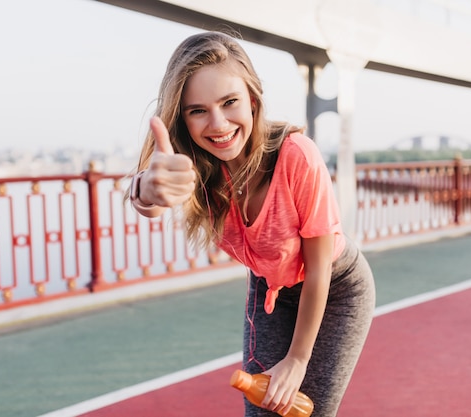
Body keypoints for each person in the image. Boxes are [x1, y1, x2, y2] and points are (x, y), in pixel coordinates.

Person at [125, 31, 375, 417]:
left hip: (337, 288)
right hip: (270, 288)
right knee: (262, 413)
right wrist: (145, 188)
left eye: (229, 102)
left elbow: (319, 268)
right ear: (183, 120)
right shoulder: (196, 168)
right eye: (198, 110)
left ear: (253, 100)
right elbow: (152, 202)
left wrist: (297, 360)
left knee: (309, 412)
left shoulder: (296, 156)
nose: (218, 123)